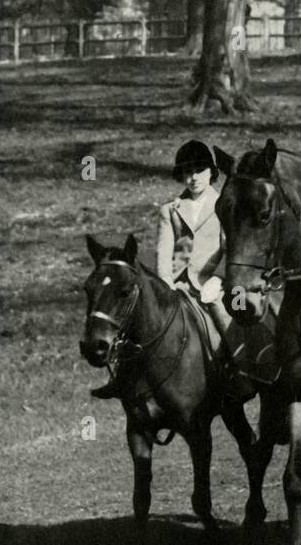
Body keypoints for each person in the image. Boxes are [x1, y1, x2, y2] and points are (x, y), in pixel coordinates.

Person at [91, 139, 230, 398]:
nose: (193, 178)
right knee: (137, 316)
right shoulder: (171, 209)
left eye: (199, 170)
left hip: (210, 283)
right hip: (177, 284)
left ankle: (235, 368)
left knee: (222, 315)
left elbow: (229, 246)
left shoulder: (224, 204)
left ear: (211, 172)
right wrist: (166, 283)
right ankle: (123, 376)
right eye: (187, 172)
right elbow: (164, 250)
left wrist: (219, 277)